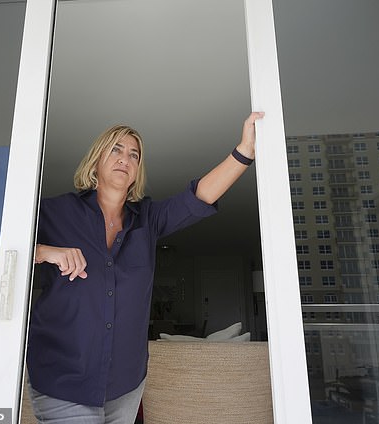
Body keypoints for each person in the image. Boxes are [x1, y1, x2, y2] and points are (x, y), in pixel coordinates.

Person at [27, 112, 265, 423]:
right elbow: (0, 250)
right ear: (95, 160)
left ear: (138, 170)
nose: (125, 158)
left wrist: (245, 150)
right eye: (115, 149)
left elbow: (199, 197)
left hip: (125, 387)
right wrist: (44, 251)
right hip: (62, 381)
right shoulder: (54, 212)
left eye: (133, 154)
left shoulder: (147, 220)